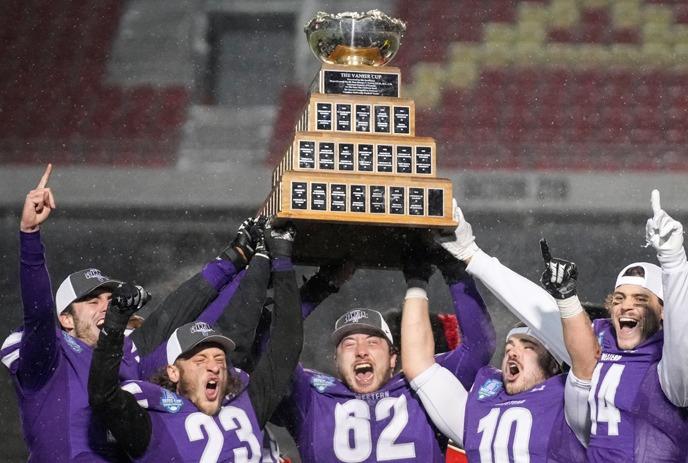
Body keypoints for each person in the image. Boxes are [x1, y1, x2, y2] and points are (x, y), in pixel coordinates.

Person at [0, 164, 264, 462]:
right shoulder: (49, 361)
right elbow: (37, 313)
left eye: (108, 298)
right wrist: (30, 235)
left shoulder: (128, 355)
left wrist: (245, 263)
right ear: (65, 320)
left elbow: (188, 319)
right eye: (91, 301)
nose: (105, 305)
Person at [88, 222, 303, 461]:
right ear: (173, 372)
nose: (214, 367)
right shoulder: (154, 423)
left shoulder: (248, 405)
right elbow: (103, 397)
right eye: (200, 360)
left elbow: (286, 343)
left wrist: (282, 261)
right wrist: (115, 323)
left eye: (220, 360)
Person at [400, 201, 590, 462]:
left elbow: (579, 350)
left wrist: (472, 256)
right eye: (510, 347)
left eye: (528, 347)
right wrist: (416, 282)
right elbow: (419, 367)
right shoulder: (482, 409)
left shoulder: (576, 408)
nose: (512, 353)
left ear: (556, 365)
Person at [276, 238, 496, 462]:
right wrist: (319, 287)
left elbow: (479, 347)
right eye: (349, 344)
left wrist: (453, 268)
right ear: (336, 360)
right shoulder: (311, 397)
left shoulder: (424, 387)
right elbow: (270, 350)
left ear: (393, 358)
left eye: (373, 342)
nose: (361, 351)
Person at [557, 189, 688, 462]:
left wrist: (673, 261)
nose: (627, 306)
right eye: (619, 298)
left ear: (664, 311)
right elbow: (539, 314)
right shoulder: (601, 339)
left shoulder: (670, 361)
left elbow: (680, 337)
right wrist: (473, 256)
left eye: (640, 299)